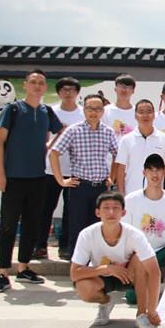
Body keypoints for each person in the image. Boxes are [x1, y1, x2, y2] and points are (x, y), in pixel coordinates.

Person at [0, 69, 64, 294]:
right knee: (8, 226)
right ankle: (3, 273)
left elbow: (61, 130)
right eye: (33, 82)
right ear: (25, 85)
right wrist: (0, 174)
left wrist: (47, 147)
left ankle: (23, 267)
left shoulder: (46, 111)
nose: (37, 86)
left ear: (45, 87)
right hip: (13, 177)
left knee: (32, 225)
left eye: (41, 83)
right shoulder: (12, 109)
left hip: (38, 177)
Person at [70, 191, 162, 328]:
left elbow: (154, 272)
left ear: (123, 212)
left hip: (130, 276)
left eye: (116, 208)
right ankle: (105, 303)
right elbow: (74, 273)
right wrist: (107, 269)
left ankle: (142, 314)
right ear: (97, 212)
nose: (111, 212)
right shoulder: (87, 235)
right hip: (102, 277)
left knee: (140, 260)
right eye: (106, 208)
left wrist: (153, 312)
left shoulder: (135, 235)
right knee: (83, 287)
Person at [50, 94, 118, 257]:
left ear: (103, 111)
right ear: (84, 110)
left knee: (98, 228)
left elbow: (117, 154)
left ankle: (95, 264)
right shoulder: (74, 130)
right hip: (79, 187)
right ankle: (77, 265)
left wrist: (112, 177)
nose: (93, 112)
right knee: (78, 229)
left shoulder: (108, 132)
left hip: (101, 189)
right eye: (89, 108)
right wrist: (61, 180)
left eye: (97, 109)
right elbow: (54, 153)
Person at [35, 76, 84, 261]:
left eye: (72, 89)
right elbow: (43, 140)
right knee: (45, 209)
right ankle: (40, 245)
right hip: (51, 170)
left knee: (71, 211)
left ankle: (65, 247)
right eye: (64, 89)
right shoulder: (50, 112)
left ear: (77, 93)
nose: (68, 93)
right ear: (58, 92)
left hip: (75, 170)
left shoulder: (83, 113)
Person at [123, 154, 165, 305]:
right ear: (144, 172)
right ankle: (158, 288)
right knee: (132, 298)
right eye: (151, 170)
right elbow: (124, 232)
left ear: (164, 172)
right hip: (139, 255)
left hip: (164, 251)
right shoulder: (131, 200)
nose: (155, 174)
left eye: (158, 170)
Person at [116, 99, 165, 196]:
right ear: (135, 115)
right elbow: (121, 168)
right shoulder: (126, 140)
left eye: (149, 111)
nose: (145, 115)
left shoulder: (164, 139)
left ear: (154, 115)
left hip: (157, 195)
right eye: (141, 112)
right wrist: (121, 193)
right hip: (131, 193)